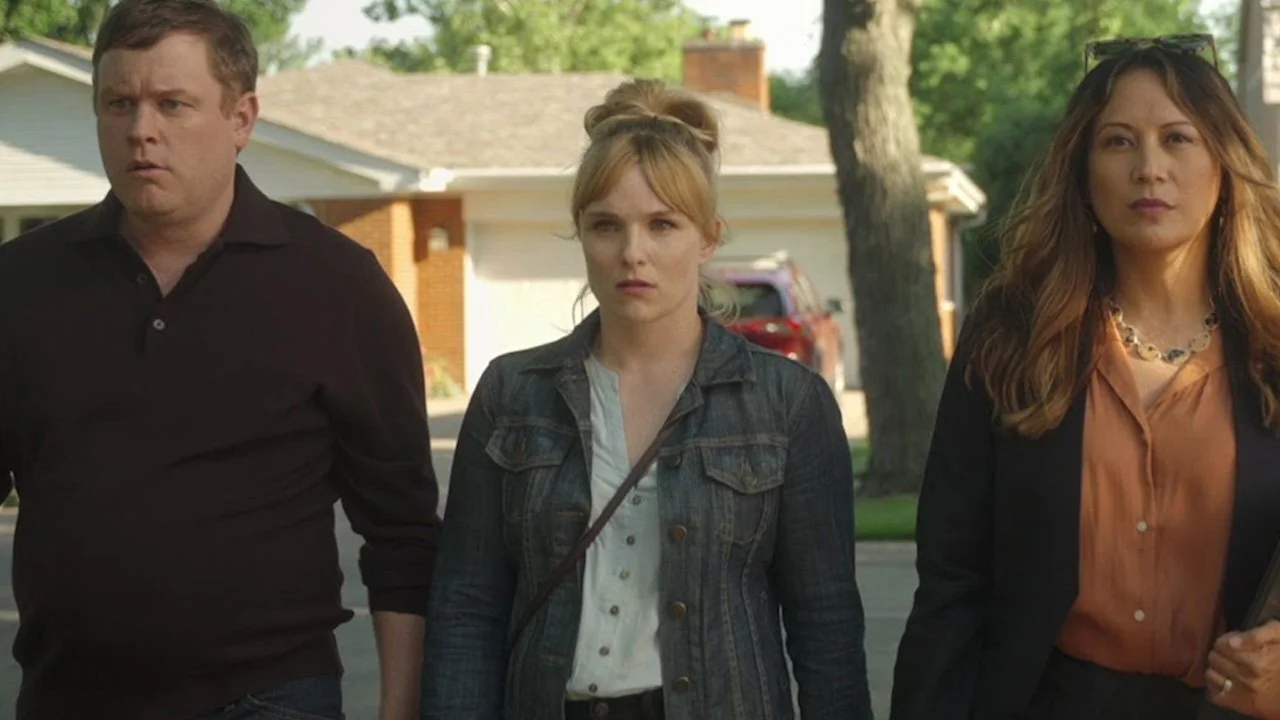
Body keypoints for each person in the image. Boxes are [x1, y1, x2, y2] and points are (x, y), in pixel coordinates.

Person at [0, 1, 440, 718]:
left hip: (268, 698)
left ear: (242, 118)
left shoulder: (336, 285)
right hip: (68, 696)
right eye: (119, 103)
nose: (142, 130)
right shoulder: (21, 284)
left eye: (172, 104)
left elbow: (403, 530)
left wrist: (401, 710)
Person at [419, 78, 873, 720]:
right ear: (581, 234)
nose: (633, 253)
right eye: (607, 225)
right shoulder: (512, 394)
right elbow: (467, 606)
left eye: (662, 224)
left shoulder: (786, 402)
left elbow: (825, 622)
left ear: (708, 237)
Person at [889, 34, 1280, 720]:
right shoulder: (1012, 339)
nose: (1149, 169)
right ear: (1083, 170)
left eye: (1178, 139)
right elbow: (952, 580)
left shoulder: (1273, 348)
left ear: (1224, 163)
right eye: (1119, 142)